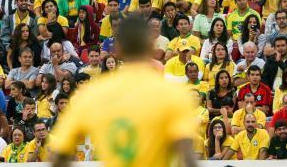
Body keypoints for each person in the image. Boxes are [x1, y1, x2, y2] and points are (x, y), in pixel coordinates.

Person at [50, 16, 198, 166]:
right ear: (150, 45)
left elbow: (60, 155)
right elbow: (188, 158)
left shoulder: (92, 95)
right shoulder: (173, 95)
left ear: (118, 49)